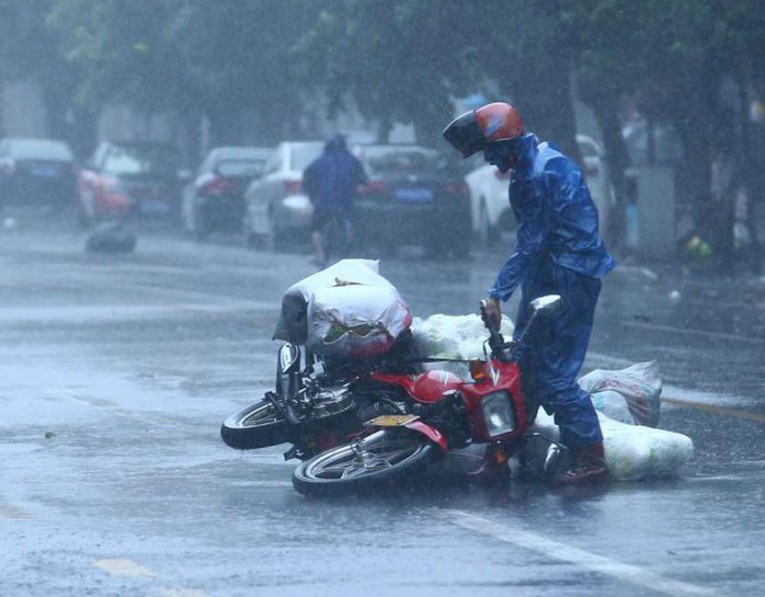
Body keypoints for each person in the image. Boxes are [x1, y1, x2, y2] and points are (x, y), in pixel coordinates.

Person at [443, 102, 615, 485]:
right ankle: (503, 449)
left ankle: (591, 456)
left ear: (505, 142)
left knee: (553, 372)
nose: (489, 161)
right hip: (550, 273)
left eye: (490, 152)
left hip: (569, 278)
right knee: (520, 363)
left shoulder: (535, 175)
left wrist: (496, 294)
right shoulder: (539, 161)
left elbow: (531, 243)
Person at [303, 134, 367, 268]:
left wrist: (312, 197)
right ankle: (347, 253)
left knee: (316, 228)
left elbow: (307, 179)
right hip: (345, 203)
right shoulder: (353, 161)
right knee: (348, 224)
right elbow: (362, 183)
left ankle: (320, 255)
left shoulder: (320, 161)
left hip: (322, 202)